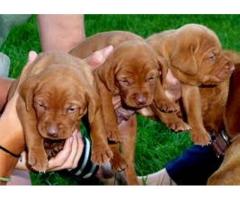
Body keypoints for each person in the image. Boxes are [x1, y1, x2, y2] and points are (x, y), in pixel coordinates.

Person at [0, 14, 225, 185]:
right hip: (14, 103)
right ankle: (90, 163)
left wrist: (79, 81)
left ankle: (104, 166)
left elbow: (69, 50)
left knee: (115, 124)